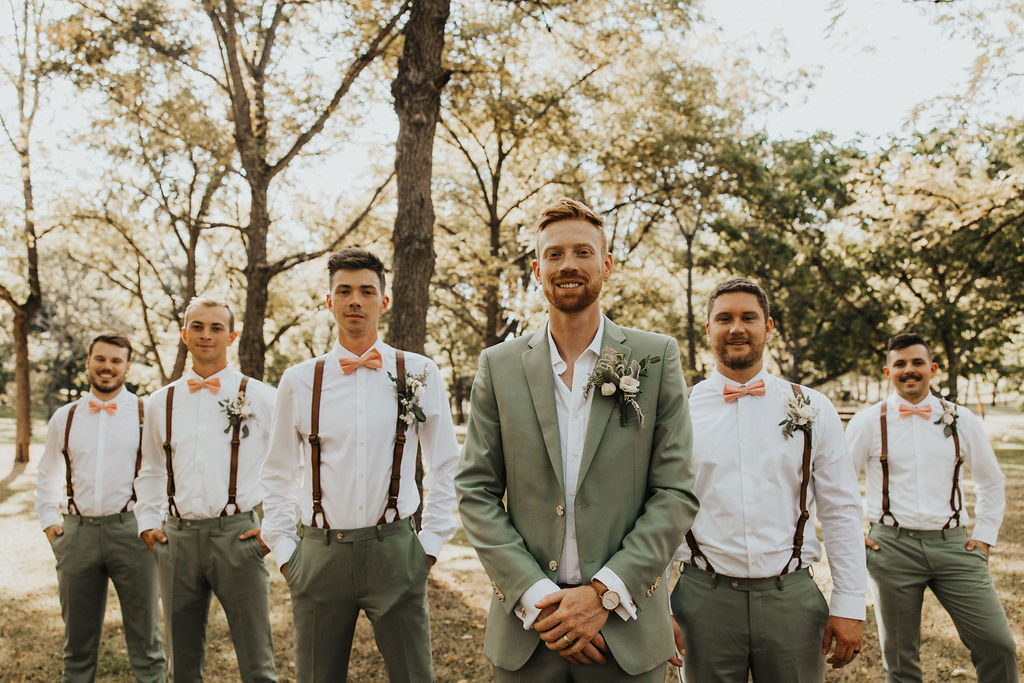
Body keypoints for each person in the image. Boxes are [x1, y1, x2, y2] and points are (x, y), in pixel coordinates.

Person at [456, 198, 698, 681]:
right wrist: (536, 597)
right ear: (536, 269)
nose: (568, 264)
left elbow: (675, 492)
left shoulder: (656, 357)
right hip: (529, 633)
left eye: (583, 252)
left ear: (606, 264)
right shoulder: (498, 366)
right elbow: (476, 492)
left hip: (625, 630)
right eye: (554, 254)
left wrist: (603, 594)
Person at [261, 248, 459, 682]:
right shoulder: (299, 380)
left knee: (413, 675)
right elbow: (277, 471)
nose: (355, 300)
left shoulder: (420, 372)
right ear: (329, 300)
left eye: (366, 291)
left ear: (383, 301)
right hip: (318, 553)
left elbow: (445, 463)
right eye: (344, 291)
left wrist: (429, 545)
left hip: (397, 551)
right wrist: (284, 549)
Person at [670, 277, 866, 682]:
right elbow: (654, 509)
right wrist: (659, 608)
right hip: (701, 598)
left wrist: (849, 602)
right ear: (708, 330)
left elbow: (841, 509)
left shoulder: (813, 406)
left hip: (791, 598)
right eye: (723, 318)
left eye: (749, 317)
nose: (736, 327)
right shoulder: (678, 410)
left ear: (769, 327)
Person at [846, 332, 1018, 683]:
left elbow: (991, 481)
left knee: (997, 644)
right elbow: (837, 484)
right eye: (900, 364)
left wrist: (984, 537)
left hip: (954, 546)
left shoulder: (961, 419)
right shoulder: (868, 422)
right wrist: (852, 534)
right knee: (900, 659)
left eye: (917, 362)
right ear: (887, 372)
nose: (909, 370)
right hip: (890, 547)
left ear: (932, 368)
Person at [134, 297, 277, 682]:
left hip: (238, 536)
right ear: (184, 335)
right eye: (197, 326)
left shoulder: (261, 396)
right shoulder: (159, 402)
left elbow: (291, 467)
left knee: (257, 661)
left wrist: (275, 528)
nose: (206, 335)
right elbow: (150, 468)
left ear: (231, 336)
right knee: (181, 664)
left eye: (216, 327)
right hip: (176, 539)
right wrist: (148, 523)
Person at [35, 331, 166, 683]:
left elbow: (164, 472)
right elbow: (46, 473)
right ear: (89, 362)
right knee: (77, 642)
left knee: (147, 639)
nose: (107, 367)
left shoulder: (147, 412)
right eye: (101, 359)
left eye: (115, 361)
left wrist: (155, 521)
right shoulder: (65, 417)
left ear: (127, 366)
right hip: (77, 534)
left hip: (133, 533)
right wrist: (51, 523)